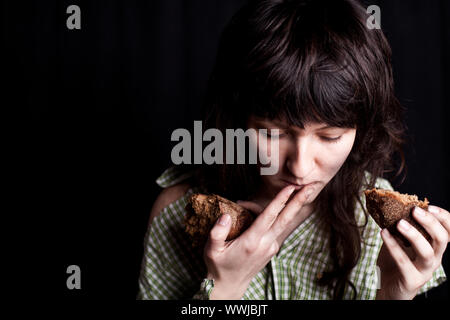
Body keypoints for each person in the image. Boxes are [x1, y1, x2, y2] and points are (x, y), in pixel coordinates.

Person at [137, 0, 448, 300]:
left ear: (360, 130)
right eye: (273, 134)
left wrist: (393, 297)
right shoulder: (179, 213)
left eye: (330, 137)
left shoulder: (376, 224)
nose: (299, 168)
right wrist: (224, 287)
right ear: (237, 119)